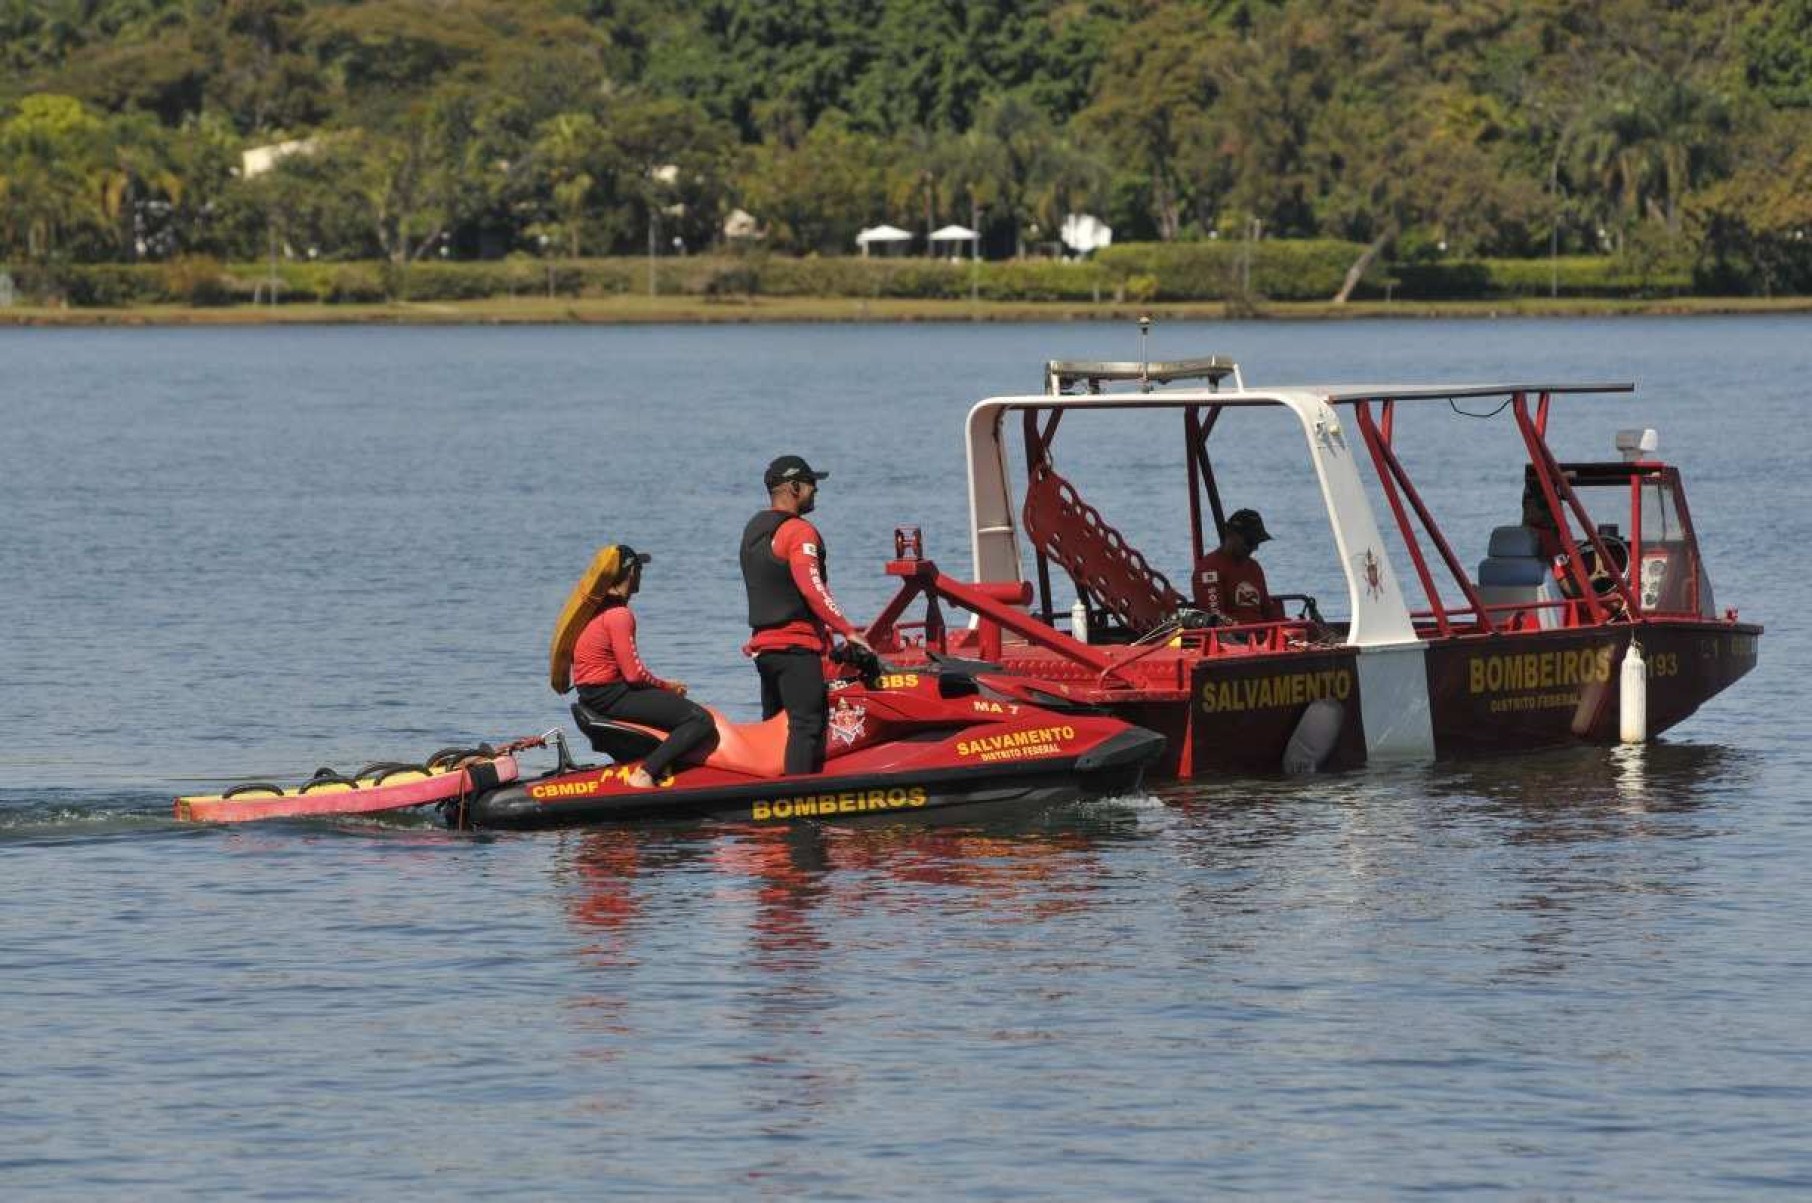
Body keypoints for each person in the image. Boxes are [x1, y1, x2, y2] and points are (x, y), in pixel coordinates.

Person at [740, 454, 875, 775]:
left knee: (777, 730)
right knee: (807, 726)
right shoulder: (799, 532)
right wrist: (849, 631)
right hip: (795, 650)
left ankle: (771, 799)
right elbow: (812, 588)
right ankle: (799, 808)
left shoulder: (753, 530)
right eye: (812, 484)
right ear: (795, 487)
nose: (816, 491)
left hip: (765, 651)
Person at [570, 545, 715, 788]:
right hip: (609, 695)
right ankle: (645, 773)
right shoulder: (619, 616)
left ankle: (665, 766)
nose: (641, 576)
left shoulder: (596, 611)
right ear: (631, 573)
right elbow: (634, 675)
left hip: (593, 693)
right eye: (639, 569)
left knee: (674, 708)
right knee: (699, 719)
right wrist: (668, 687)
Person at [1191, 508, 1274, 625]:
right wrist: (1244, 629)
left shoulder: (1254, 567)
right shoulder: (1209, 569)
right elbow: (1215, 616)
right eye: (1250, 542)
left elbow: (1268, 611)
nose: (1255, 548)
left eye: (1257, 542)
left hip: (1261, 635)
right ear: (1231, 535)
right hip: (1232, 638)